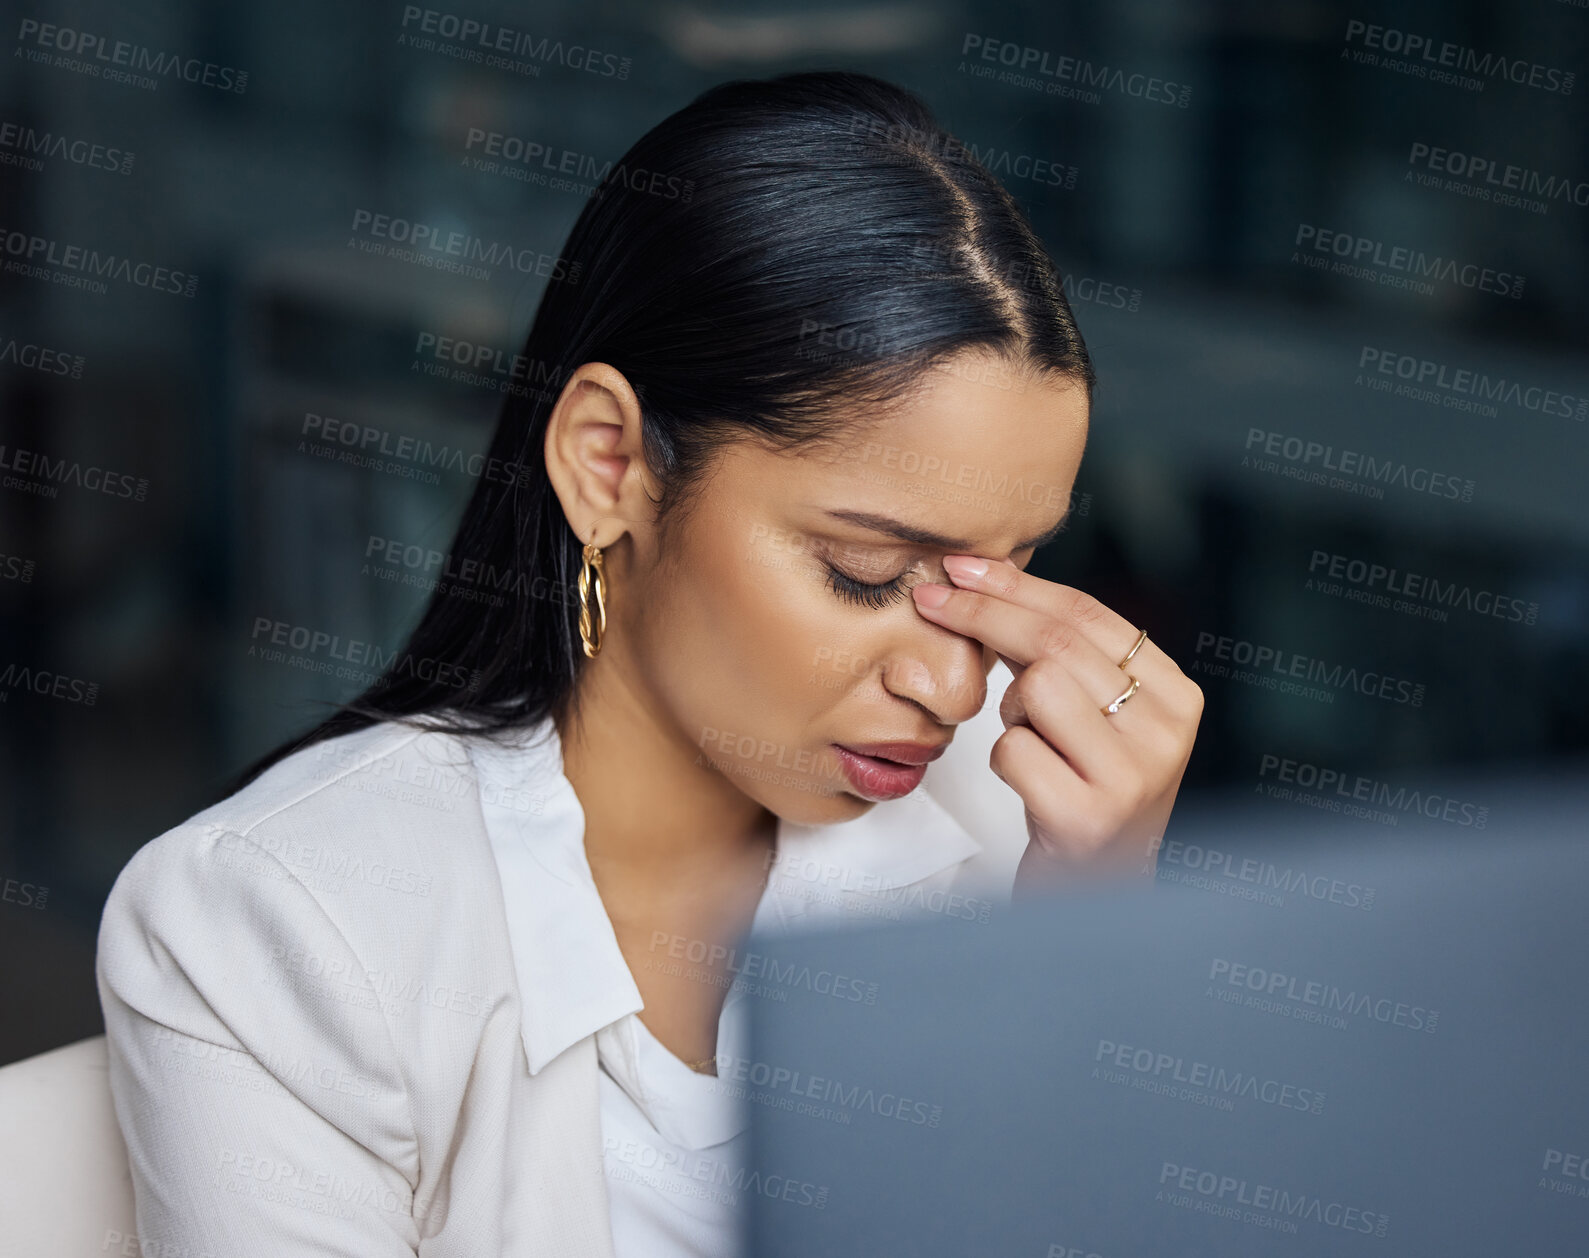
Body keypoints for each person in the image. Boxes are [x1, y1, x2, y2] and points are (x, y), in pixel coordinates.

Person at [95, 70, 1203, 1257]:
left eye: (1003, 575)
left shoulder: (1020, 810)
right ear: (608, 462)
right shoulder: (285, 923)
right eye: (867, 571)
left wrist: (1087, 942)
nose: (950, 687)